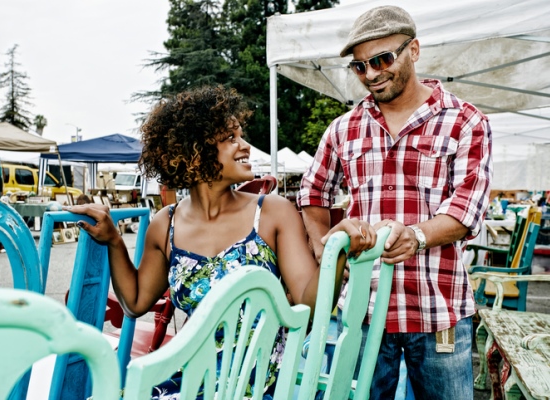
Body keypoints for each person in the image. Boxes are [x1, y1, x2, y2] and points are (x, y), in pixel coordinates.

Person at [66, 86, 376, 399]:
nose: (245, 147)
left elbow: (309, 310)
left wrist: (337, 251)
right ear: (194, 151)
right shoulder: (165, 225)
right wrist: (114, 241)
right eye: (231, 138)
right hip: (190, 383)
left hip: (259, 387)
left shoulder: (271, 212)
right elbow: (134, 302)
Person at [298, 6, 493, 399]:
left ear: (414, 50)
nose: (371, 74)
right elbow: (312, 194)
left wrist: (417, 236)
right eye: (360, 66)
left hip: (438, 308)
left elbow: (467, 208)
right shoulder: (343, 128)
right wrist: (325, 252)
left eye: (383, 59)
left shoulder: (465, 121)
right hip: (362, 312)